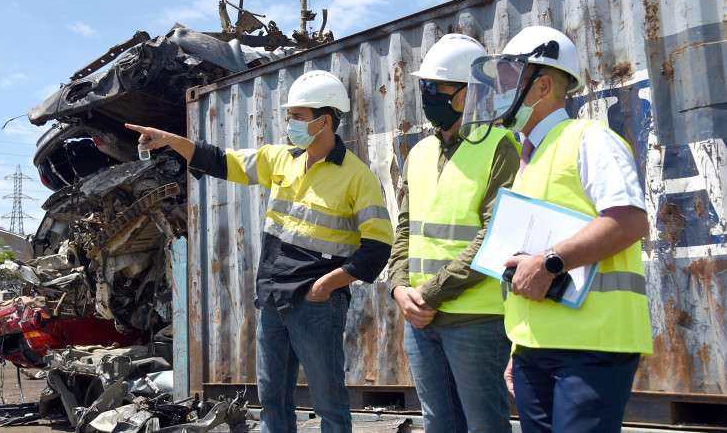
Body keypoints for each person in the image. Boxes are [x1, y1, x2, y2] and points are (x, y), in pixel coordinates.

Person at [126, 69, 393, 433]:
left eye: (298, 116)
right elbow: (221, 161)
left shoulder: (356, 176)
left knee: (329, 402)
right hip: (273, 297)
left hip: (317, 304)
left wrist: (325, 287)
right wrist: (170, 139)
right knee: (272, 400)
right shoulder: (282, 158)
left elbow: (377, 249)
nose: (290, 123)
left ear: (325, 120)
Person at [460, 25, 653, 433]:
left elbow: (630, 221)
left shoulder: (590, 139)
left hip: (593, 346)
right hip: (536, 349)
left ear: (543, 85)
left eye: (508, 82)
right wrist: (519, 348)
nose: (498, 94)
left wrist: (550, 263)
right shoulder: (528, 156)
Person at [388, 34, 519, 433]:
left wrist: (429, 293)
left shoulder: (502, 147)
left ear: (466, 94)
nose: (426, 95)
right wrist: (398, 287)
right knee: (438, 423)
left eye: (436, 88)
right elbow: (406, 227)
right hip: (420, 318)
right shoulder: (419, 153)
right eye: (424, 86)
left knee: (484, 425)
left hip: (476, 320)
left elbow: (496, 235)